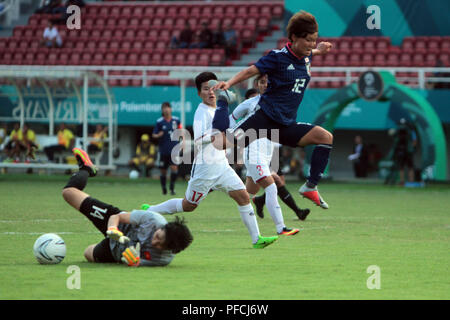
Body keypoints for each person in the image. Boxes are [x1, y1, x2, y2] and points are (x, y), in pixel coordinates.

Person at [209, 11, 333, 210]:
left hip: (286, 125)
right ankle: (219, 109)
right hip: (264, 119)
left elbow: (310, 53)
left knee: (325, 137)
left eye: (314, 40)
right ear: (294, 38)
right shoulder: (277, 58)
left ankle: (310, 186)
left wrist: (318, 49)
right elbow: (251, 71)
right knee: (221, 144)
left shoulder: (306, 55)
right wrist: (229, 83)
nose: (311, 44)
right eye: (308, 40)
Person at [143, 72, 278, 249]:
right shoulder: (202, 112)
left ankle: (256, 239)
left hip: (222, 166)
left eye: (212, 87)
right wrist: (217, 134)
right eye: (205, 89)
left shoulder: (219, 110)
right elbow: (198, 139)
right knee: (188, 205)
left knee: (244, 197)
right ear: (199, 93)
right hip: (205, 168)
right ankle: (150, 210)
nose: (210, 92)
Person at [62, 147, 193, 267]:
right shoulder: (153, 220)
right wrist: (113, 229)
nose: (155, 243)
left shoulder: (162, 260)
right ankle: (87, 168)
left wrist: (132, 262)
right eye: (158, 237)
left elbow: (136, 263)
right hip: (118, 224)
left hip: (114, 251)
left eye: (161, 246)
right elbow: (116, 217)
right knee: (68, 193)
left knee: (87, 253)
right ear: (162, 227)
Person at [236, 77, 310, 221]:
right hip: (255, 153)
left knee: (255, 189)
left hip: (270, 152)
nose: (265, 85)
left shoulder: (275, 103)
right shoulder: (249, 108)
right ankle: (291, 217)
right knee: (274, 182)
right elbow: (237, 129)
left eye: (268, 82)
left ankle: (258, 201)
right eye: (262, 82)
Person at [152, 102, 182, 195]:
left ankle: (172, 188)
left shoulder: (176, 120)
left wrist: (183, 142)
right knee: (163, 171)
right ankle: (164, 188)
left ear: (171, 109)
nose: (166, 110)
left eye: (168, 108)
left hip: (174, 149)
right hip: (163, 150)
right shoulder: (159, 121)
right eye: (164, 108)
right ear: (162, 110)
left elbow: (181, 131)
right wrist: (158, 135)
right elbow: (154, 134)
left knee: (174, 168)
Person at [392, 119, 417, 185]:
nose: (402, 126)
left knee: (410, 166)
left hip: (408, 151)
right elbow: (393, 136)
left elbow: (414, 140)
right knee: (401, 166)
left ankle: (411, 181)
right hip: (401, 151)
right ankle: (402, 181)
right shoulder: (398, 131)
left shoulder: (410, 131)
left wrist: (412, 149)